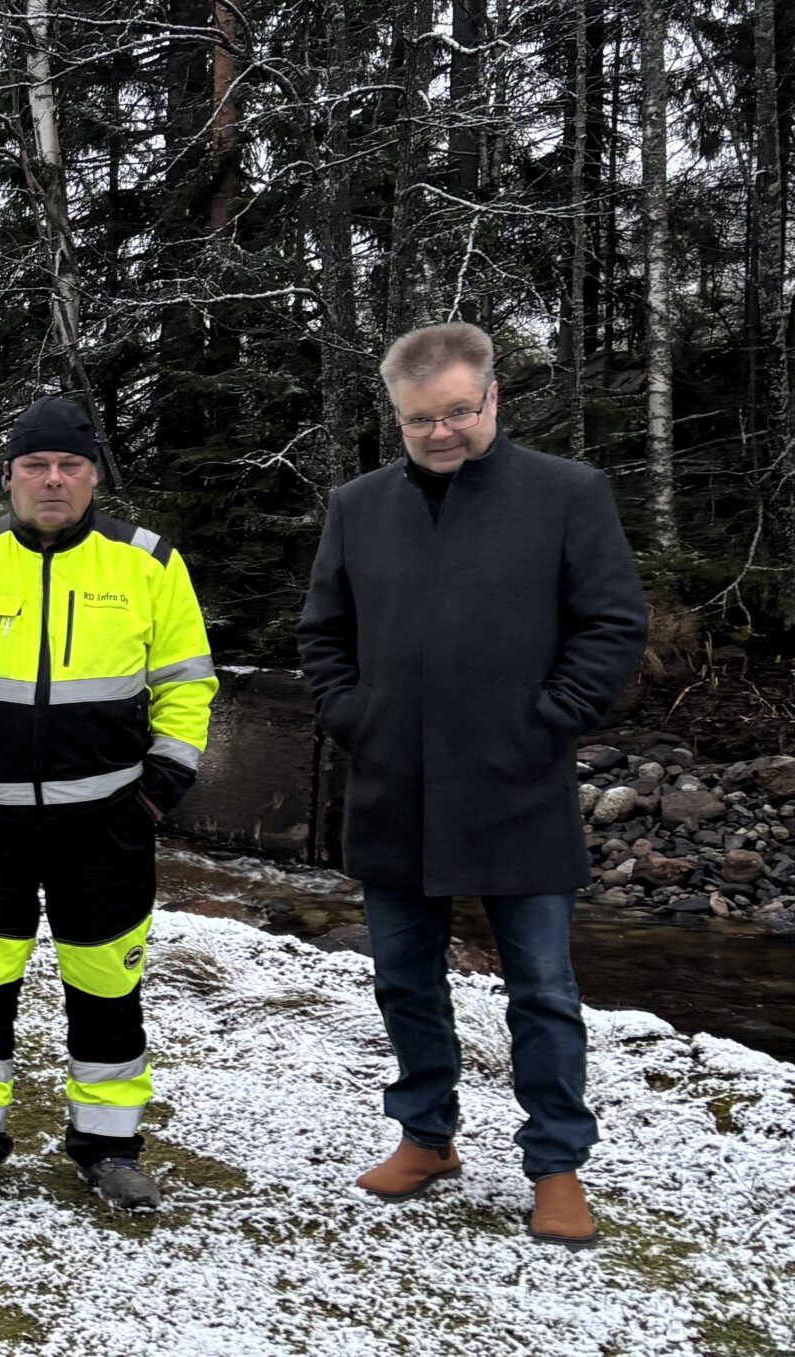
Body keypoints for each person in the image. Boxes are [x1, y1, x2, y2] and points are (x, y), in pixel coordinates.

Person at [297, 322, 647, 1248]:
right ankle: (427, 1135)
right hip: (391, 786)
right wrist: (353, 715)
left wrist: (546, 719)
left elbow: (612, 628)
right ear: (397, 418)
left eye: (457, 410)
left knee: (540, 986)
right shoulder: (358, 507)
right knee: (405, 979)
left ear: (492, 398)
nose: (443, 431)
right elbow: (323, 637)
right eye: (422, 420)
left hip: (519, 781)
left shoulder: (568, 494)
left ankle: (557, 1165)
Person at [0, 394, 217, 1210]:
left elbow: (187, 684)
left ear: (94, 477)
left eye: (69, 466)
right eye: (36, 465)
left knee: (106, 991)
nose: (53, 480)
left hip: (107, 826)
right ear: (10, 477)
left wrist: (159, 792)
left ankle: (108, 1148)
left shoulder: (148, 562)